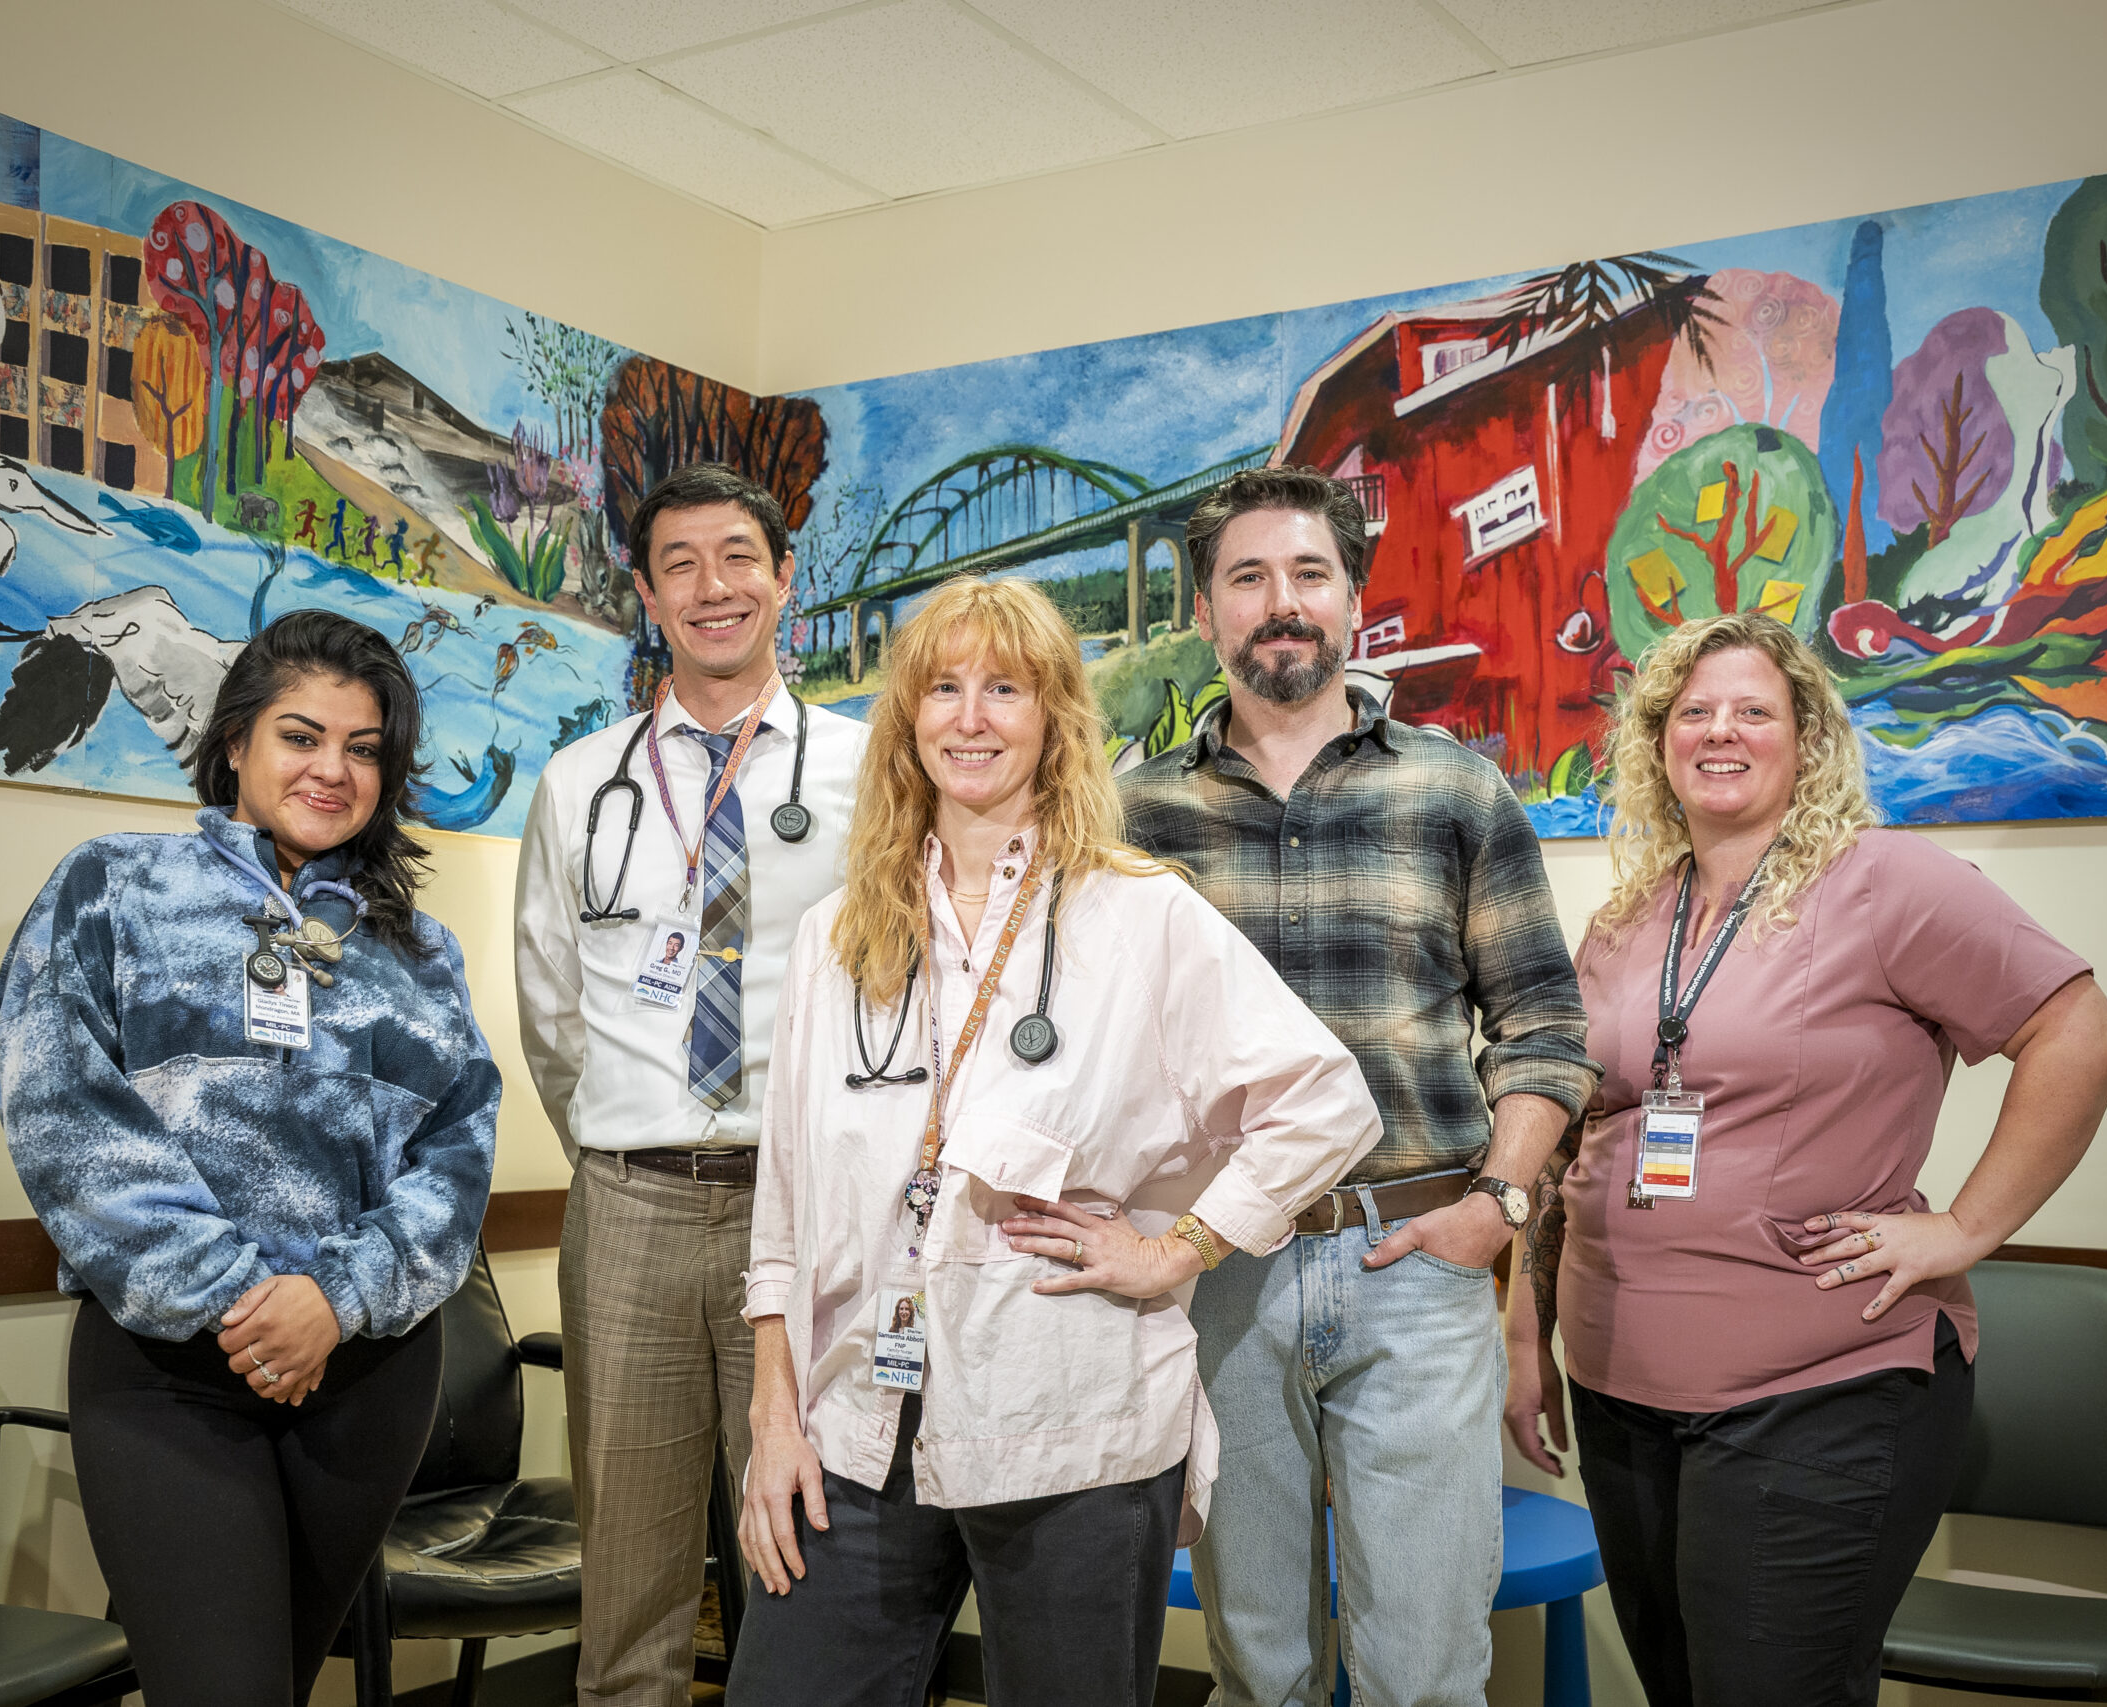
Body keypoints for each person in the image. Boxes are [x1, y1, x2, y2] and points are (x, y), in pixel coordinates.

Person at [727, 576, 1383, 1707]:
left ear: (1052, 721)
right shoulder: (838, 936)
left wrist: (1180, 1246)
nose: (970, 717)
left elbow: (1327, 1100)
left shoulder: (1138, 916)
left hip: (1069, 1420)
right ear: (907, 720)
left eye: (1004, 689)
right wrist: (773, 1420)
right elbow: (782, 1204)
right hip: (859, 1421)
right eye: (943, 687)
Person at [1506, 611, 2107, 1705]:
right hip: (1614, 1385)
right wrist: (1527, 1330)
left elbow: (2080, 1034)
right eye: (1693, 712)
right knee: (1681, 1688)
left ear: (1808, 739)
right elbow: (1571, 1135)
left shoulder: (1887, 882)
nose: (1720, 732)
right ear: (1656, 743)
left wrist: (1967, 1227)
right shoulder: (1622, 922)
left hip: (1815, 1390)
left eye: (1754, 710)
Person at [1118, 466, 1597, 1707]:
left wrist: (1497, 1206)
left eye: (1308, 574)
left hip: (1418, 1262)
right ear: (1206, 612)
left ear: (1350, 601)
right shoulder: (1134, 818)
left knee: (1425, 1674)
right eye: (1248, 578)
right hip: (1219, 1273)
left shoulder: (1454, 790)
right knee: (1254, 1665)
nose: (1281, 603)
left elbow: (1543, 1027)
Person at [0, 610, 499, 1707]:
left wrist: (335, 1296)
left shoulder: (420, 950)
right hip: (170, 1367)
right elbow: (60, 1112)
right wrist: (245, 1296)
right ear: (235, 743)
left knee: (276, 1683)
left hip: (367, 1371)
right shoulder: (113, 889)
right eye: (300, 736)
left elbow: (458, 1154)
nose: (331, 770)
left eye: (363, 749)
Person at [513, 462, 869, 1707]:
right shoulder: (579, 782)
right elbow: (551, 1013)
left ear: (782, 579)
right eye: (680, 564)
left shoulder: (872, 774)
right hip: (633, 1212)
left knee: (816, 1564)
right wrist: (630, 1141)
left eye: (737, 558)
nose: (713, 587)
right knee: (631, 1587)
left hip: (814, 1210)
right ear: (647, 595)